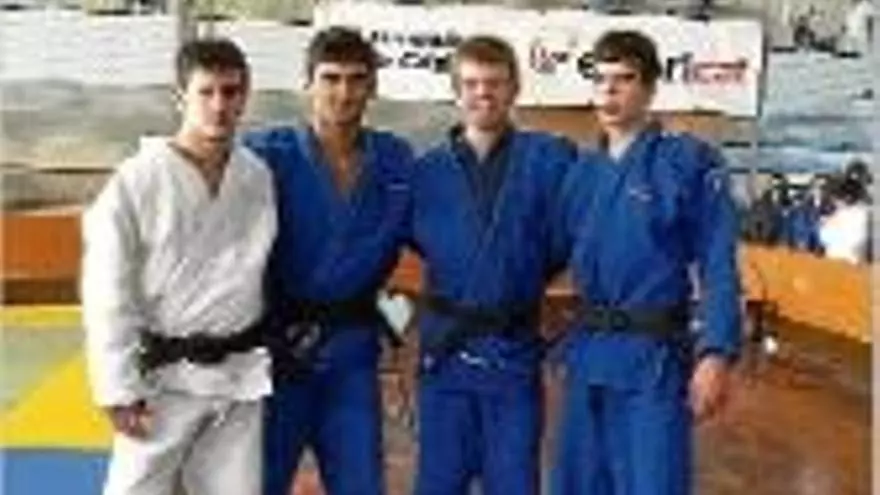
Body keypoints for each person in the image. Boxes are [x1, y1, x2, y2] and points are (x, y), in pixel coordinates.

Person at [81, 38, 276, 495]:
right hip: (164, 380)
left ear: (245, 97)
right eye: (206, 92)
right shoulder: (137, 180)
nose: (219, 105)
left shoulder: (255, 174)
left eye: (231, 92)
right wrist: (117, 386)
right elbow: (107, 290)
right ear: (180, 97)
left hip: (239, 375)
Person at [551, 30, 742, 495]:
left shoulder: (686, 162)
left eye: (624, 79)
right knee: (578, 484)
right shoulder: (580, 172)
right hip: (587, 356)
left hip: (651, 363)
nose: (609, 91)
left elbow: (718, 262)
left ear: (651, 88)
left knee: (653, 483)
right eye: (600, 80)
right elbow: (547, 255)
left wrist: (715, 352)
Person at [243, 27, 413, 495]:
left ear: (372, 87)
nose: (343, 92)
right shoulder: (264, 155)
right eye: (330, 78)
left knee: (361, 481)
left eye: (357, 79)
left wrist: (410, 322)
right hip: (279, 349)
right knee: (259, 481)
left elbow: (438, 239)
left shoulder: (395, 160)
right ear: (308, 84)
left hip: (352, 353)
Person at [407, 35, 576, 495]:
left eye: (495, 82)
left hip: (513, 353)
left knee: (514, 480)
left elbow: (566, 238)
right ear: (455, 92)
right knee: (438, 481)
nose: (483, 93)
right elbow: (407, 246)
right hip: (446, 356)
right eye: (471, 83)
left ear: (514, 88)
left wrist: (520, 277)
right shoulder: (425, 172)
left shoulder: (548, 161)